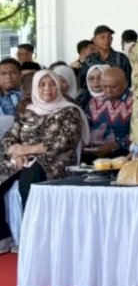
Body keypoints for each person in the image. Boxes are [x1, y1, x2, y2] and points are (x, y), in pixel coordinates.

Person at [0, 70, 86, 254]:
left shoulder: (70, 111)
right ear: (34, 88)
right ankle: (3, 235)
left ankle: (34, 240)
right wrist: (16, 153)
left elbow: (63, 142)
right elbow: (9, 137)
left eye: (52, 84)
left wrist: (27, 150)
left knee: (29, 179)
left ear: (59, 86)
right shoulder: (28, 111)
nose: (47, 88)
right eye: (42, 84)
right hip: (24, 158)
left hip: (55, 161)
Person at [84, 67, 132, 162]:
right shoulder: (94, 102)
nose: (108, 91)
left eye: (113, 87)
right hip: (95, 156)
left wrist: (116, 145)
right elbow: (86, 128)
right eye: (105, 87)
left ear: (125, 84)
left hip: (124, 157)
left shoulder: (135, 103)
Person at [79, 25, 132, 90]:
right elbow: (83, 84)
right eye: (102, 37)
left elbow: (128, 81)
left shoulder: (121, 58)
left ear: (112, 39)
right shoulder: (89, 60)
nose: (106, 40)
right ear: (94, 40)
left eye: (109, 37)